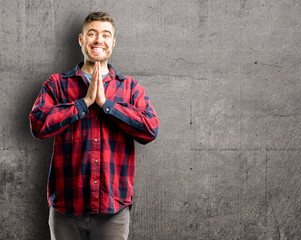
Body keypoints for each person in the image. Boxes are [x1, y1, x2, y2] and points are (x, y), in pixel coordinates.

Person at [29, 12, 159, 240]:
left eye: (106, 35)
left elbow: (150, 130)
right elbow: (38, 125)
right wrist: (84, 103)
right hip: (66, 210)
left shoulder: (130, 88)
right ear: (81, 40)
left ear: (113, 42)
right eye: (92, 33)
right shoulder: (56, 85)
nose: (99, 39)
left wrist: (106, 105)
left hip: (113, 210)